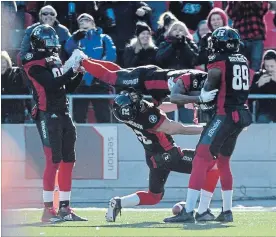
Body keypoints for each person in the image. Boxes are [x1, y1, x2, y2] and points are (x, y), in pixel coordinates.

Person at [163, 26, 253, 223]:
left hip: (224, 115)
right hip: (240, 114)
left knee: (200, 158)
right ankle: (227, 211)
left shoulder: (218, 60)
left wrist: (201, 95)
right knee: (223, 162)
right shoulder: (243, 60)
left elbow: (210, 86)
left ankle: (188, 211)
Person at [105, 90, 217, 222]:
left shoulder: (129, 116)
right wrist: (208, 129)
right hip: (169, 155)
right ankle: (202, 210)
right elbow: (178, 129)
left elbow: (157, 109)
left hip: (154, 158)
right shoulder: (147, 119)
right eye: (137, 104)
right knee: (213, 165)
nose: (140, 103)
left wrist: (180, 105)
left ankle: (118, 203)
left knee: (154, 197)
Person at [22, 24, 87, 223]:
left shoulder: (54, 59)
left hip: (63, 112)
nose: (52, 44)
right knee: (53, 160)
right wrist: (70, 70)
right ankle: (48, 210)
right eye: (48, 40)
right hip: (46, 113)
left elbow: (67, 87)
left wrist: (78, 73)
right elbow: (51, 84)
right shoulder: (32, 61)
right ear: (39, 43)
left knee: (69, 160)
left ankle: (65, 208)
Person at [64, 54, 216, 107]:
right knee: (112, 78)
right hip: (145, 79)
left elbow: (177, 98)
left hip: (154, 87)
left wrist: (196, 100)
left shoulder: (198, 77)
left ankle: (87, 59)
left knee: (118, 72)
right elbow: (176, 97)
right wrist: (200, 98)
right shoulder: (192, 77)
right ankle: (82, 61)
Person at [65, 13, 116, 123]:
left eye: (87, 20)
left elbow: (111, 55)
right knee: (78, 117)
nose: (84, 22)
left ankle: (107, 138)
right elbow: (68, 50)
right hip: (80, 82)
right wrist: (74, 38)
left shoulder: (104, 38)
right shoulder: (76, 38)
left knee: (104, 116)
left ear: (93, 23)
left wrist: (97, 72)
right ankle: (76, 139)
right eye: (81, 22)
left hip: (99, 81)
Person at [226, 2, 269, 71]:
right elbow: (230, 14)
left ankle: (254, 81)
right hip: (241, 38)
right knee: (241, 64)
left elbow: (263, 10)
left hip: (256, 37)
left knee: (256, 63)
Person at [1, 51, 30, 124]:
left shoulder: (16, 74)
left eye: (3, 62)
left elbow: (23, 91)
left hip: (15, 112)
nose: (1, 65)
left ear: (8, 63)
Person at [250, 49, 276, 123]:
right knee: (262, 120)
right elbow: (250, 97)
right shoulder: (258, 76)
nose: (269, 69)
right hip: (265, 112)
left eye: (272, 66)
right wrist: (258, 85)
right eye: (267, 66)